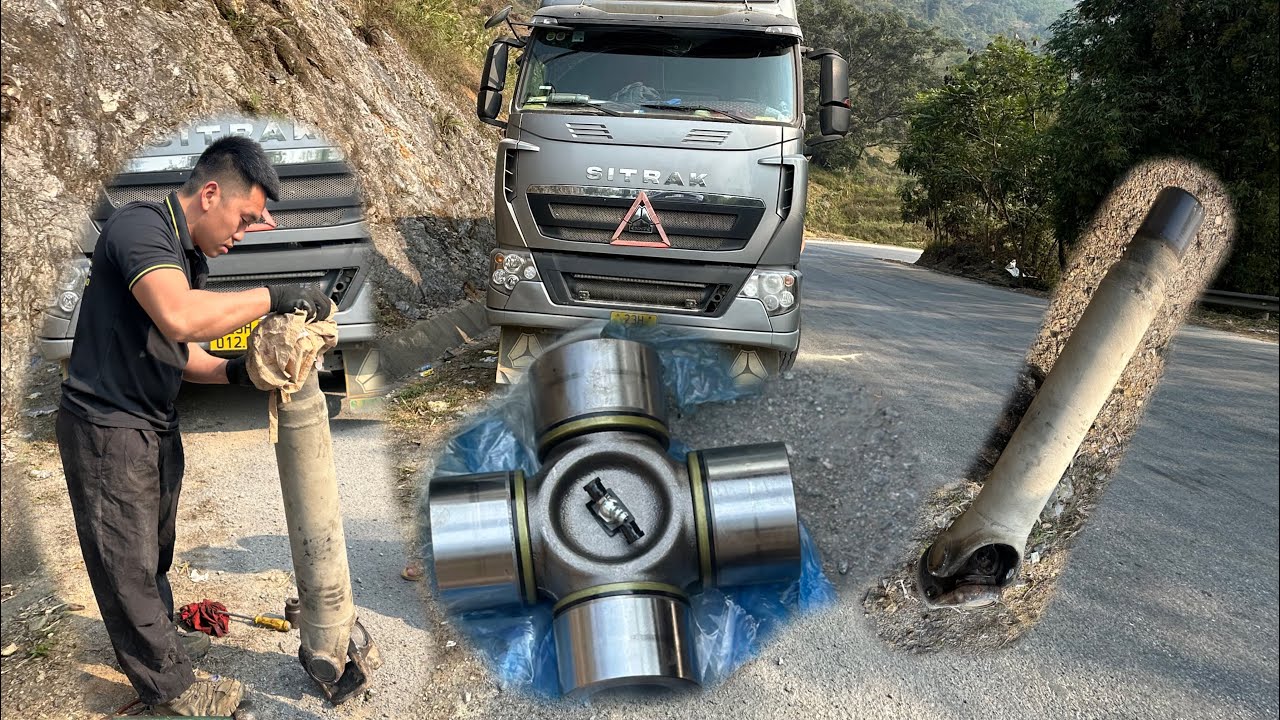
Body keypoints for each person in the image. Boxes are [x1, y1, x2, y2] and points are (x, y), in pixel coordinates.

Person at [55, 135, 332, 716]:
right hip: (107, 428)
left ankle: (159, 651)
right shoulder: (140, 228)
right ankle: (174, 691)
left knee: (150, 554)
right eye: (246, 217)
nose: (247, 231)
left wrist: (242, 373)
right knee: (125, 566)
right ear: (211, 194)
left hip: (152, 424)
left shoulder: (189, 259)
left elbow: (183, 357)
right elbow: (179, 318)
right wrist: (275, 295)